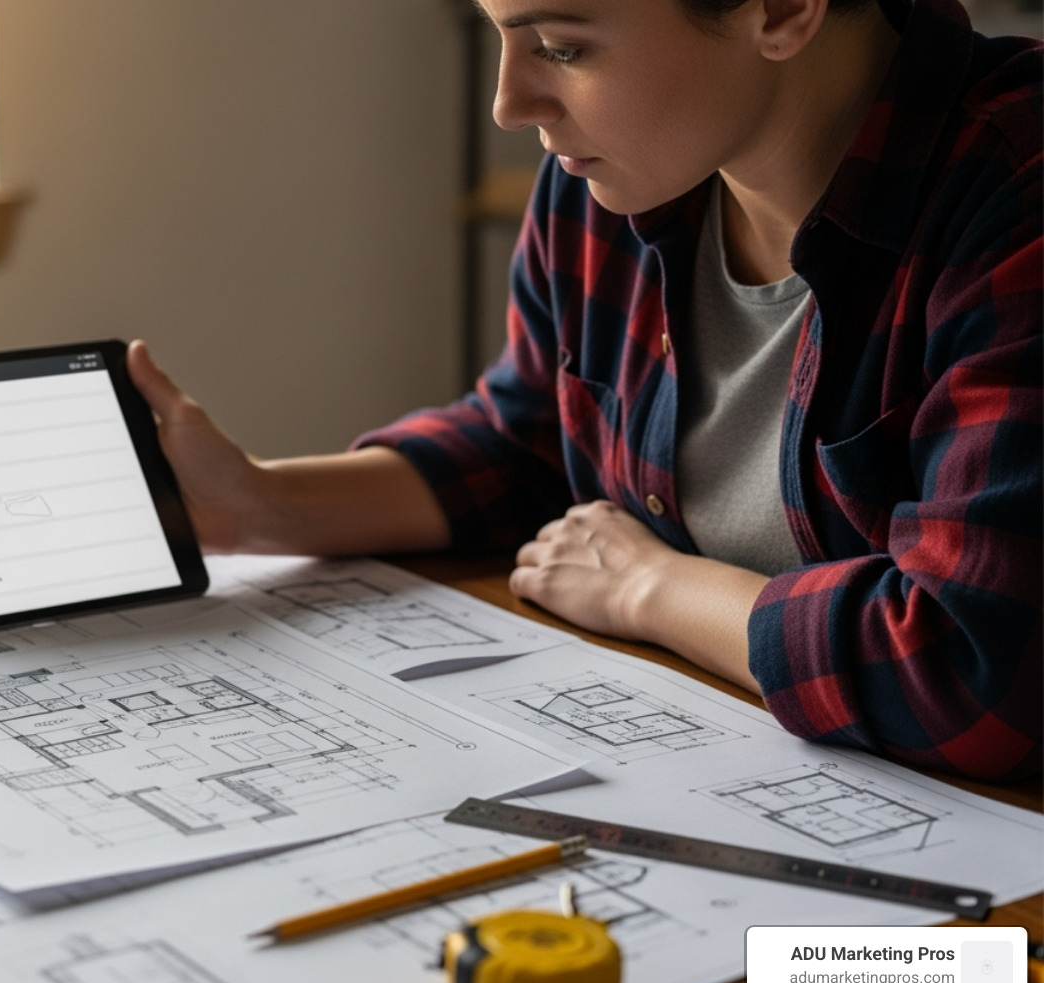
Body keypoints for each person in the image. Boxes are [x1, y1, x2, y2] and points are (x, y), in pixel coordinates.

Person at [127, 0, 1042, 781]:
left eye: (561, 47)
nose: (508, 104)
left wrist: (657, 590)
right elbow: (529, 438)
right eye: (499, 35)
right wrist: (257, 504)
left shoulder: (1017, 190)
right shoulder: (618, 170)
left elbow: (974, 664)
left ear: (782, 9)